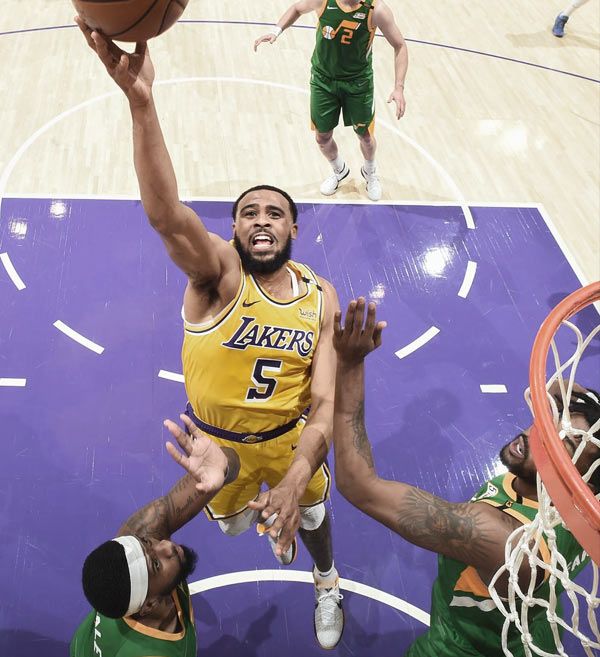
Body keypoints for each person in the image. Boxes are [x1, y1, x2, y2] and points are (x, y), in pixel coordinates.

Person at [76, 18, 344, 649]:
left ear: (294, 229)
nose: (260, 219)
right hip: (218, 449)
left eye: (275, 212)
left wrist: (295, 474)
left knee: (311, 513)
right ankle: (266, 518)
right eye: (248, 212)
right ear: (233, 229)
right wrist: (142, 105)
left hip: (290, 441)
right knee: (230, 525)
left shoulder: (321, 296)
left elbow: (325, 401)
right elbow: (166, 216)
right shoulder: (218, 277)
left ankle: (326, 579)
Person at [331, 297, 600, 656]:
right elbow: (560, 387)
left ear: (582, 482)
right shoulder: (586, 504)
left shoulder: (497, 536)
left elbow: (358, 485)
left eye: (564, 446)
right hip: (533, 628)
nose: (540, 435)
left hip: (463, 645)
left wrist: (349, 364)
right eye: (553, 423)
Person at [70, 415, 240, 656]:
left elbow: (221, 467)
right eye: (157, 565)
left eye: (147, 543)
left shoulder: (136, 544)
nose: (165, 546)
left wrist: (222, 466)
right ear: (149, 605)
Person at [254, 0, 408, 202]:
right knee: (322, 137)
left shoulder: (376, 9)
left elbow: (400, 45)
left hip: (358, 83)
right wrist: (276, 31)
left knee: (365, 137)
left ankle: (370, 172)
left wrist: (399, 87)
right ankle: (339, 171)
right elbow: (297, 8)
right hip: (323, 80)